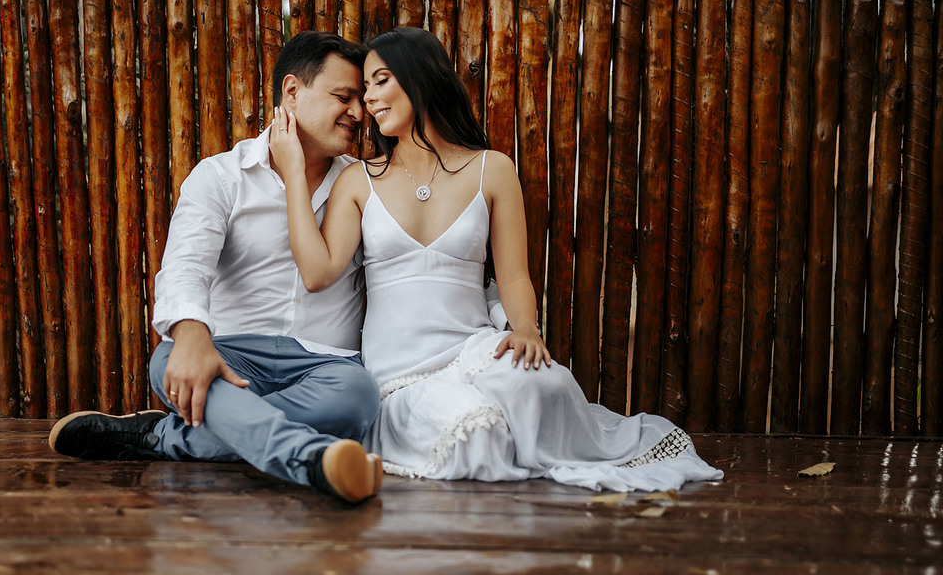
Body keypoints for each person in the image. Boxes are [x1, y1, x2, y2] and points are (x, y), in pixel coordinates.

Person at [269, 26, 723, 491]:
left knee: (544, 386)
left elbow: (513, 275)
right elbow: (318, 272)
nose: (368, 101)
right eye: (365, 88)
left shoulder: (493, 168)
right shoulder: (360, 180)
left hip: (474, 349)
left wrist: (525, 330)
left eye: (379, 81)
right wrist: (292, 174)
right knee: (477, 431)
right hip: (401, 374)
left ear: (419, 78)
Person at [48, 31, 384, 503]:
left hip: (325, 365)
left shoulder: (363, 185)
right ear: (292, 91)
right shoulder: (222, 175)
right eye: (343, 97)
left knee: (358, 396)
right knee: (168, 357)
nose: (357, 112)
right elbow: (186, 265)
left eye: (361, 102)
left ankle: (164, 438)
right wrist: (189, 334)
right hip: (232, 359)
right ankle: (309, 457)